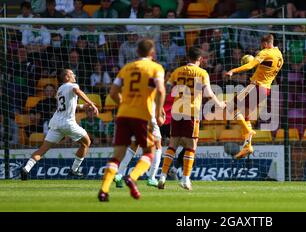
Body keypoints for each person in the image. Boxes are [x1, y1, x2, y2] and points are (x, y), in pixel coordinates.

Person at [98, 39, 166, 202]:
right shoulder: (156, 68)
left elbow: (113, 92)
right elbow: (161, 90)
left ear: (137, 52)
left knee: (117, 156)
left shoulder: (126, 68)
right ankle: (133, 177)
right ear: (152, 53)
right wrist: (158, 113)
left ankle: (104, 190)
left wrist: (124, 104)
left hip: (123, 115)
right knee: (149, 152)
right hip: (143, 115)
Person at [157, 47, 226, 191]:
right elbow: (207, 93)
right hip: (191, 112)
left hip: (176, 111)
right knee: (191, 146)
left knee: (172, 145)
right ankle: (185, 179)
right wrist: (219, 103)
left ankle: (162, 176)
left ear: (187, 58)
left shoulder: (177, 71)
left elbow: (168, 88)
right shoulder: (202, 73)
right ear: (200, 59)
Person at [20, 69, 99, 180]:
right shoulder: (72, 85)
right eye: (72, 74)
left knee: (43, 149)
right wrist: (91, 103)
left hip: (56, 123)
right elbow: (78, 92)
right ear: (66, 77)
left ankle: (26, 169)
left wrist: (82, 107)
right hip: (68, 123)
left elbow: (67, 106)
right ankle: (74, 170)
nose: (74, 75)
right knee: (86, 142)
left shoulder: (60, 90)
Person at [224, 34, 284, 159]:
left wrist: (233, 71)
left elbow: (250, 65)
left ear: (266, 43)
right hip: (265, 89)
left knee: (230, 107)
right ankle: (248, 146)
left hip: (255, 86)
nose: (261, 47)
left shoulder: (265, 52)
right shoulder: (279, 55)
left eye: (262, 44)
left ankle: (248, 131)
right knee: (245, 116)